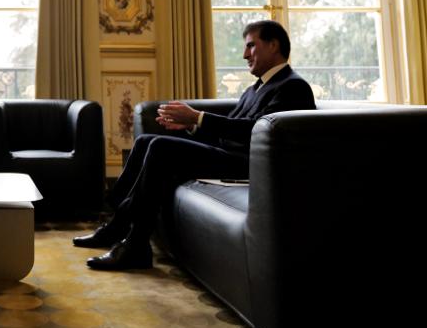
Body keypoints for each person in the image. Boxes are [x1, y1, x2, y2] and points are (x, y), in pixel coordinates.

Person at [74, 19, 315, 271]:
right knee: (147, 141)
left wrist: (198, 117)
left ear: (274, 45)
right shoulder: (255, 89)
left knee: (160, 148)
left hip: (249, 166)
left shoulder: (292, 86)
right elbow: (228, 133)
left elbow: (257, 132)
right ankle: (117, 222)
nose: (245, 55)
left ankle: (133, 242)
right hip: (230, 157)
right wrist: (191, 127)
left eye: (251, 46)